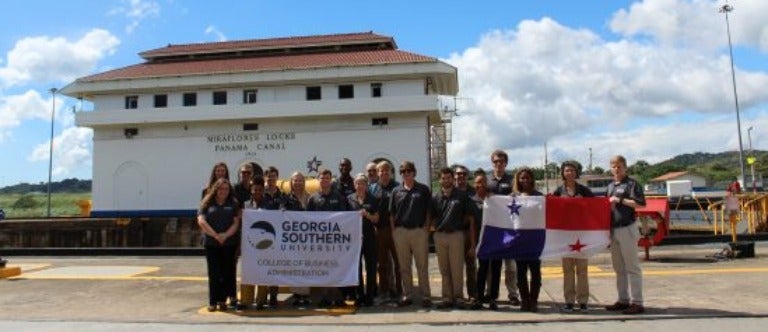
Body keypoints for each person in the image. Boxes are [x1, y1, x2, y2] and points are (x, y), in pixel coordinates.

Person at [605, 155, 646, 315]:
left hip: (627, 227)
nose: (616, 169)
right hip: (613, 229)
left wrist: (620, 200)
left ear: (625, 167)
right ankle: (623, 299)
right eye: (613, 166)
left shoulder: (632, 184)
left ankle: (638, 302)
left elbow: (641, 203)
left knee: (632, 267)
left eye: (619, 166)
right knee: (619, 268)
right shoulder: (609, 186)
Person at [552, 161, 594, 312]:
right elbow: (552, 212)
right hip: (565, 236)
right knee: (567, 270)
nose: (569, 173)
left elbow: (594, 209)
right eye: (566, 170)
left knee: (582, 270)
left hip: (582, 235)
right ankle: (569, 300)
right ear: (563, 173)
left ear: (576, 173)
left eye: (572, 170)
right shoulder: (558, 191)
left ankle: (583, 300)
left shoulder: (584, 190)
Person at [390, 161, 432, 308]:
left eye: (408, 171)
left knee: (422, 266)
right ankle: (407, 294)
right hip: (401, 232)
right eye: (403, 171)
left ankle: (425, 296)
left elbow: (428, 210)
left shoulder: (423, 189)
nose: (406, 174)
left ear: (414, 172)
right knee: (404, 267)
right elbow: (392, 213)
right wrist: (394, 231)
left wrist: (426, 229)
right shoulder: (396, 191)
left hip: (419, 231)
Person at [432, 167, 475, 309]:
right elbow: (431, 217)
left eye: (448, 177)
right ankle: (447, 298)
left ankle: (459, 297)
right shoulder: (435, 197)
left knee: (457, 268)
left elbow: (468, 217)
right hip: (440, 235)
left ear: (453, 179)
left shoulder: (461, 196)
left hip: (456, 235)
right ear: (440, 180)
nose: (446, 180)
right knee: (444, 269)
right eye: (443, 178)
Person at [307, 168, 350, 307]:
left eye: (327, 178)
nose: (324, 180)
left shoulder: (338, 197)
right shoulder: (313, 199)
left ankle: (338, 297)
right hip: (320, 241)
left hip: (335, 240)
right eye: (322, 178)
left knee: (336, 268)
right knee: (322, 268)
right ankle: (325, 296)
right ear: (318, 179)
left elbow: (345, 218)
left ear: (331, 180)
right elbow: (307, 220)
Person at [197, 178, 241, 312]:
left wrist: (226, 235)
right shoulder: (206, 203)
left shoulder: (233, 203)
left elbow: (236, 223)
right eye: (221, 189)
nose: (223, 191)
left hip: (229, 243)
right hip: (211, 243)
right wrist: (215, 235)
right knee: (214, 273)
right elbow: (201, 221)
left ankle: (222, 300)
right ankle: (213, 301)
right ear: (216, 189)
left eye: (226, 189)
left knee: (226, 272)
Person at [242, 176, 281, 310]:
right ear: (251, 191)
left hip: (266, 244)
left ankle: (261, 300)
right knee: (248, 272)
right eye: (254, 190)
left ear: (263, 190)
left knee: (262, 271)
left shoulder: (270, 205)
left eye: (259, 190)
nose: (257, 192)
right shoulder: (246, 205)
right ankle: (246, 300)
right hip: (249, 245)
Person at [487, 149, 520, 306]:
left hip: (509, 228)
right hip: (493, 229)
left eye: (501, 161)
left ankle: (513, 294)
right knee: (494, 265)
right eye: (495, 161)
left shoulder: (513, 180)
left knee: (511, 266)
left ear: (506, 163)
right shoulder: (488, 181)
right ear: (492, 163)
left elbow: (519, 198)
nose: (498, 164)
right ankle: (492, 294)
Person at [369, 161, 403, 303]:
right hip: (380, 230)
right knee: (381, 264)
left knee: (398, 263)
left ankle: (400, 291)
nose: (383, 173)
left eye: (386, 171)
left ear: (390, 172)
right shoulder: (372, 188)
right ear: (377, 173)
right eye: (380, 171)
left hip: (395, 230)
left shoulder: (397, 187)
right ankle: (384, 292)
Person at [511, 167, 544, 312]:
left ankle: (534, 300)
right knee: (521, 273)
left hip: (535, 240)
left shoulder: (539, 196)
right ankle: (524, 300)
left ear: (531, 179)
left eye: (527, 177)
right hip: (520, 240)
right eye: (521, 178)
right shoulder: (513, 196)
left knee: (536, 273)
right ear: (518, 180)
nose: (524, 180)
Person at [470, 171, 503, 310]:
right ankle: (479, 298)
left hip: (496, 240)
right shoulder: (472, 201)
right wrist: (473, 244)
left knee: (496, 270)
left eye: (483, 182)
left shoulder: (495, 199)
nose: (480, 185)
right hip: (481, 241)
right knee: (482, 270)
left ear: (487, 183)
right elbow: (472, 224)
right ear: (474, 184)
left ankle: (493, 298)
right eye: (477, 182)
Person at [347, 173, 379, 307]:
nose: (360, 186)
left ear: (366, 185)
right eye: (357, 183)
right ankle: (359, 295)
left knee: (371, 266)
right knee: (357, 267)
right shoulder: (349, 199)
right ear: (354, 185)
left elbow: (377, 219)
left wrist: (368, 215)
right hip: (355, 237)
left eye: (362, 183)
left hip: (369, 236)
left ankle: (370, 295)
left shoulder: (373, 199)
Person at [284, 171, 312, 306]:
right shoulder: (287, 198)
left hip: (307, 238)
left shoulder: (310, 198)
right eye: (296, 180)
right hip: (293, 238)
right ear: (291, 182)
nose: (298, 183)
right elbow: (281, 211)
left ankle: (305, 295)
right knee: (294, 265)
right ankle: (296, 294)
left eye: (301, 180)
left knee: (305, 265)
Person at [453, 164, 477, 302]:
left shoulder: (473, 192)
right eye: (458, 174)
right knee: (455, 268)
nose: (460, 176)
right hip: (454, 233)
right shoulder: (450, 191)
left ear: (467, 176)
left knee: (471, 266)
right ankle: (456, 295)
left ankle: (473, 294)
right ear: (454, 176)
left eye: (463, 174)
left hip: (469, 232)